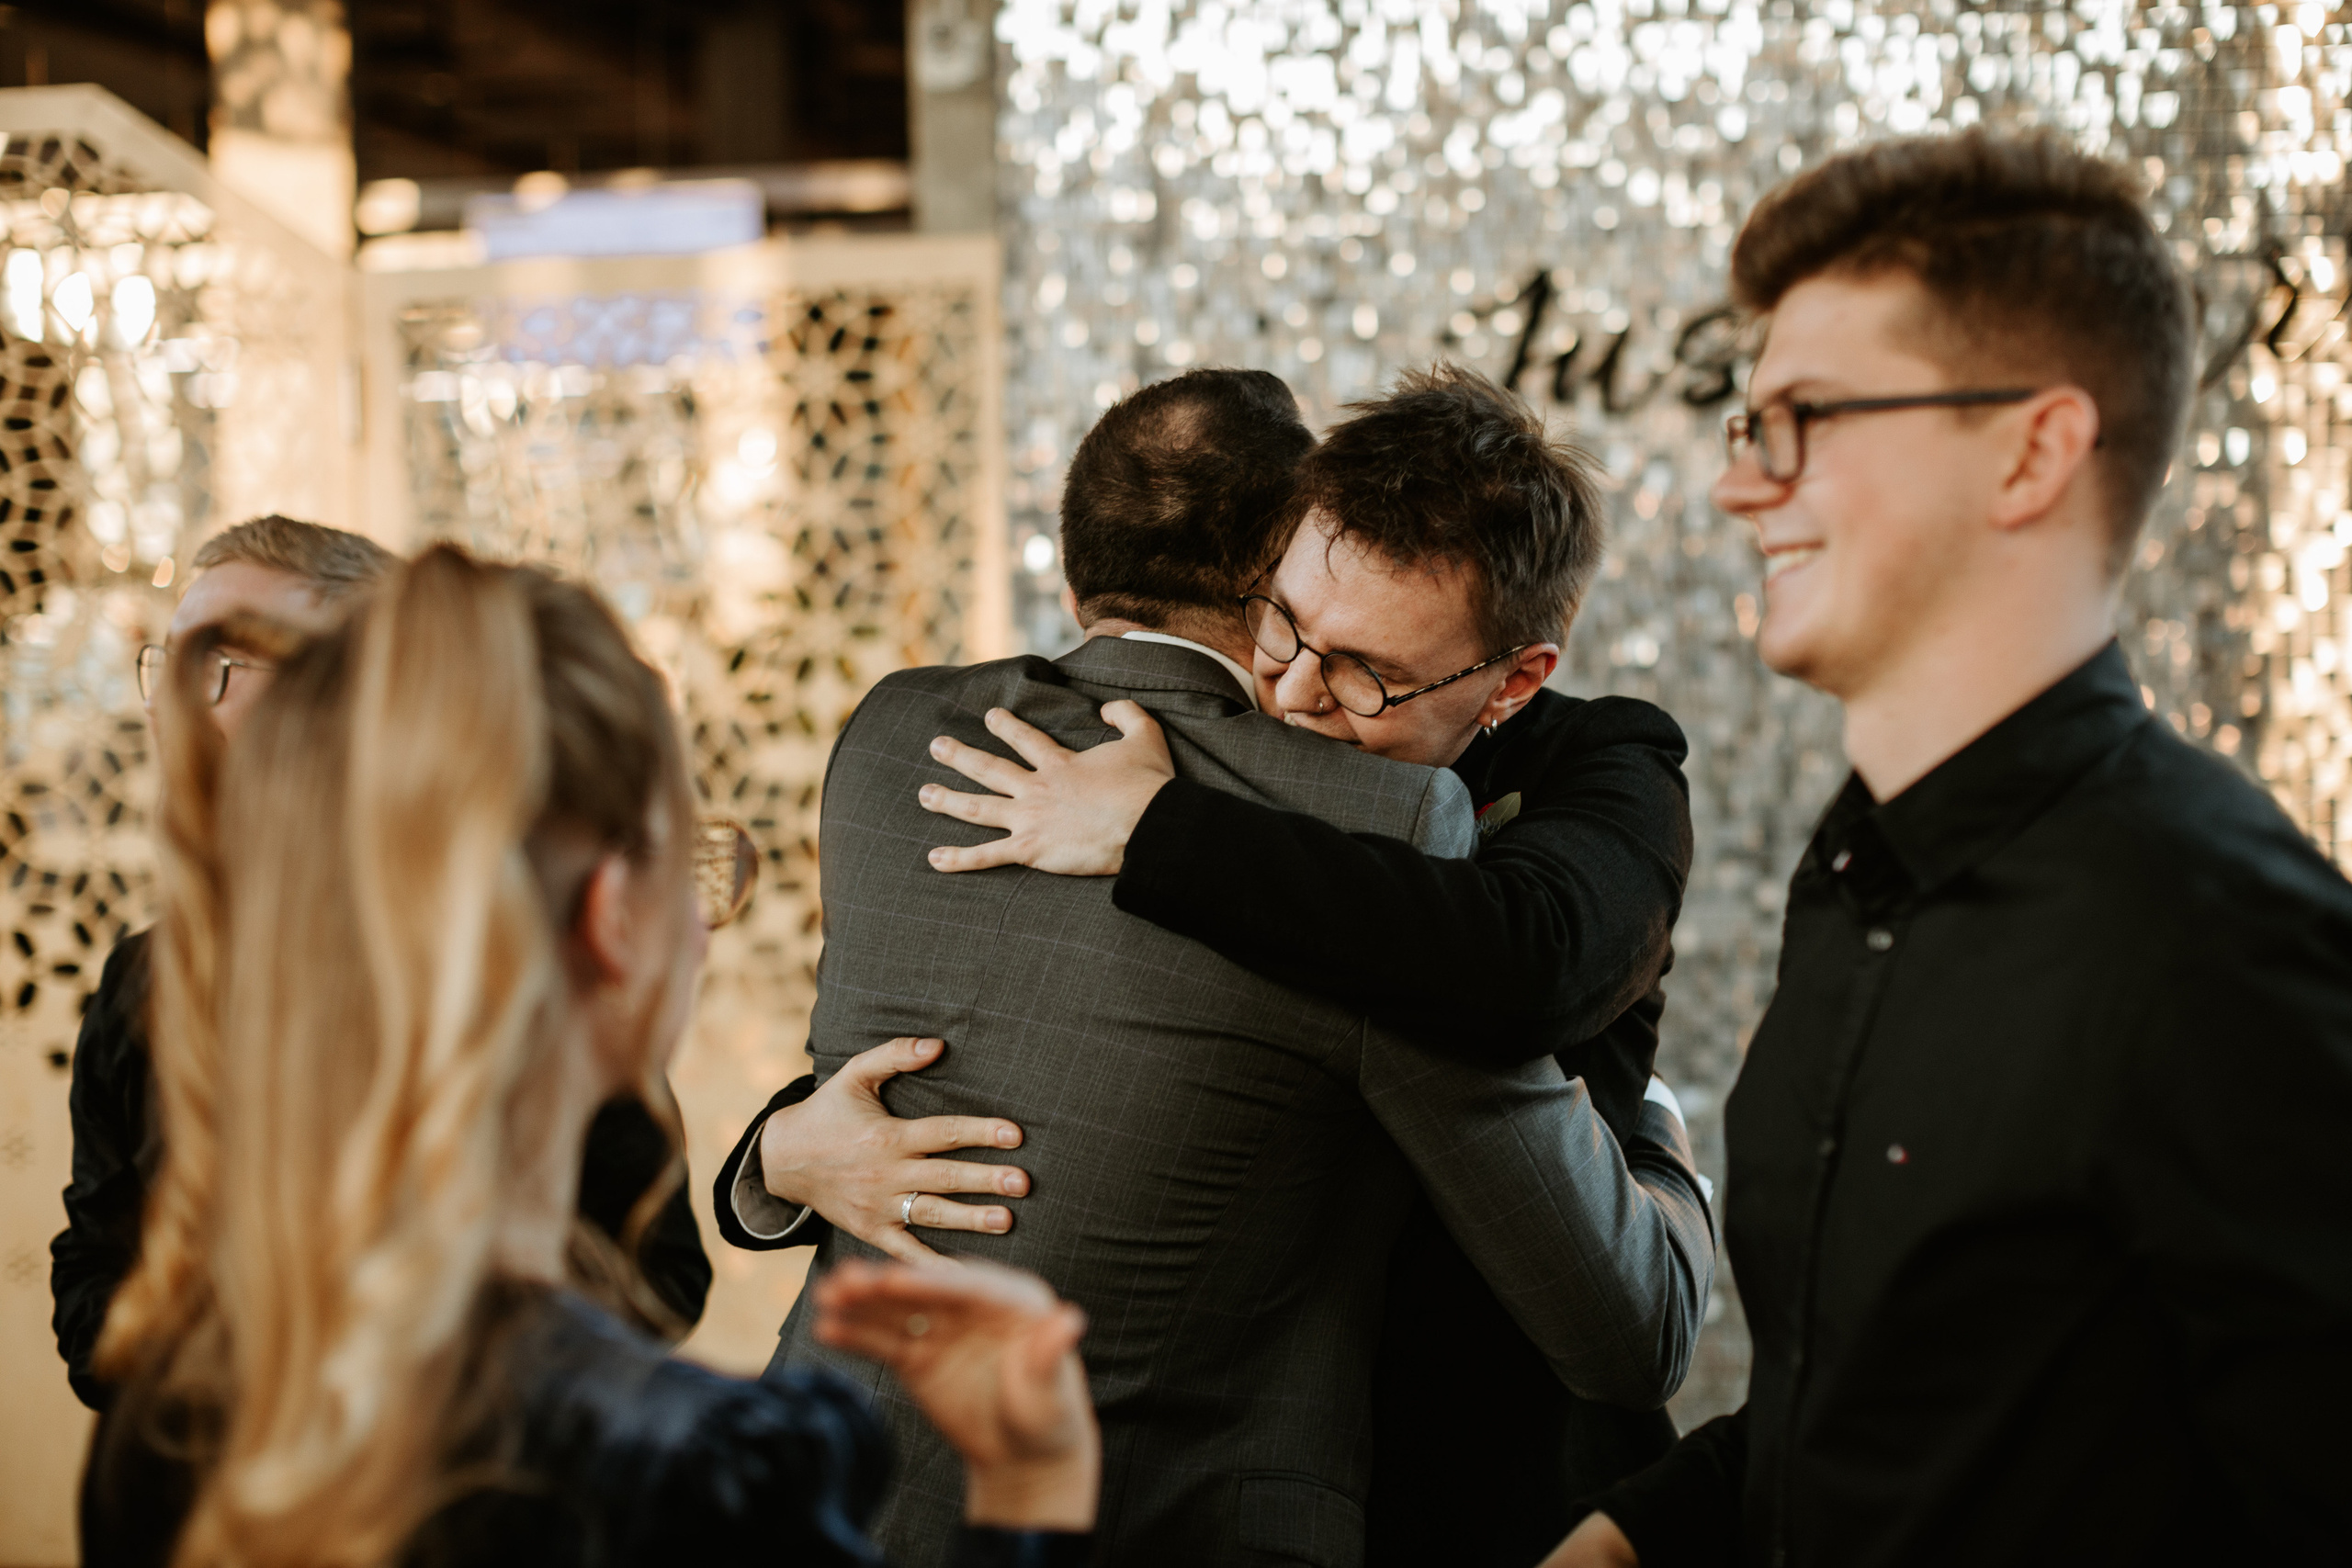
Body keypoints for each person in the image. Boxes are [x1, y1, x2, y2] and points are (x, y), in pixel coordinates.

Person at [715, 367, 1713, 1567]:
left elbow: (1533, 955)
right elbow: (984, 1054)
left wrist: (1159, 833)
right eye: (1286, 624)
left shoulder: (897, 727)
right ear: (1267, 570)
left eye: (1366, 674)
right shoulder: (1336, 797)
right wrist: (777, 1151)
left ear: (1513, 678)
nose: (1293, 690)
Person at [1540, 130, 2352, 1567]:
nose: (1742, 487)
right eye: (1748, 424)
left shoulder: (2216, 930)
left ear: (2032, 450)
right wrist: (1632, 1530)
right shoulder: (1853, 882)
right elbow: (1885, 1405)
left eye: (1807, 418)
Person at [81, 546, 1099, 1568]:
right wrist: (1029, 1484)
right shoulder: (693, 1480)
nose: (705, 928)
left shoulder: (165, 1427)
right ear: (614, 915)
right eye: (686, 860)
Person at [50, 517, 711, 1411]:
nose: (166, 705)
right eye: (163, 662)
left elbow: (659, 1278)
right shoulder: (144, 978)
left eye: (217, 667)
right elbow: (93, 1289)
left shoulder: (524, 955)